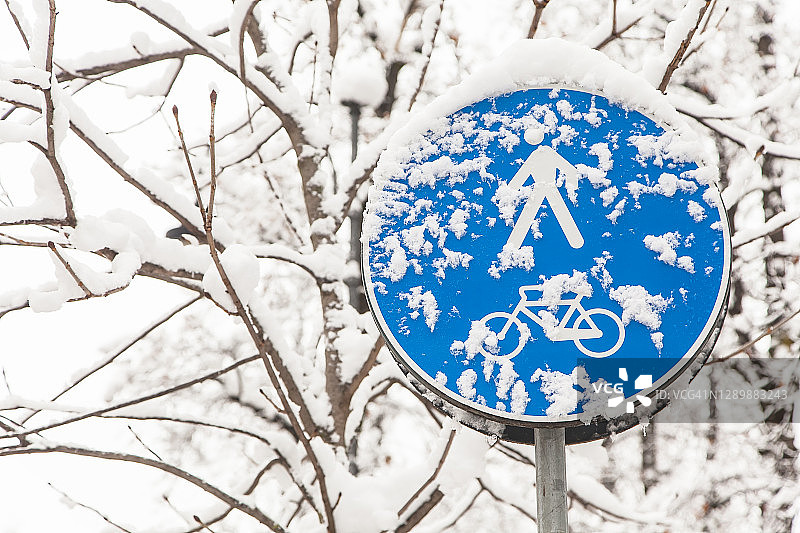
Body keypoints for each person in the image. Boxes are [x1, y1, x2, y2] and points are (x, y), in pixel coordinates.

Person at [504, 128, 584, 251]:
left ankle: (512, 247)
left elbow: (523, 173)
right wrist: (572, 187)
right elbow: (570, 170)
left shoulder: (541, 154)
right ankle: (576, 242)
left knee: (529, 213)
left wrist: (511, 189)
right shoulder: (544, 154)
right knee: (560, 211)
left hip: (544, 188)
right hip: (545, 188)